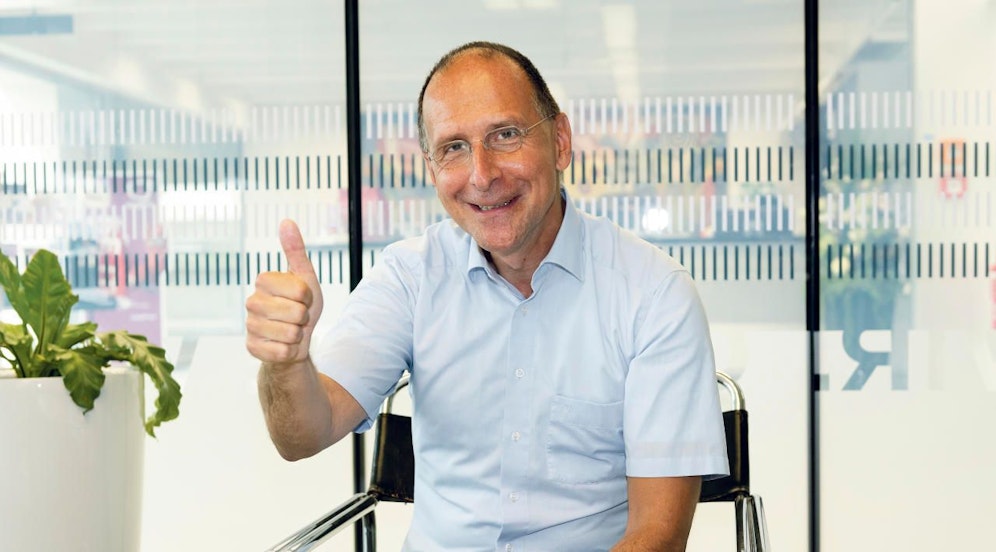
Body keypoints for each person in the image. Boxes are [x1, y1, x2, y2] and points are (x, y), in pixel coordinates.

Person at [246, 41, 729, 551]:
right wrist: (286, 363)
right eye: (454, 147)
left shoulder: (653, 293)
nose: (482, 174)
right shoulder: (410, 277)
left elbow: (658, 536)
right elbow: (302, 435)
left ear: (560, 142)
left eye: (506, 135)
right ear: (432, 169)